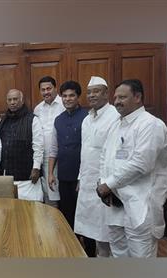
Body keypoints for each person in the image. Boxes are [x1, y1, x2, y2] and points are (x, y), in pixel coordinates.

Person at [96, 79, 167, 257]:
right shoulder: (116, 125)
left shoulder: (151, 124)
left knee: (141, 262)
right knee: (119, 256)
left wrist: (108, 184)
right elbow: (104, 157)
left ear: (138, 97)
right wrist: (102, 182)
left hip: (140, 207)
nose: (116, 101)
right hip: (114, 204)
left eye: (122, 97)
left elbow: (141, 163)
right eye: (115, 97)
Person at [74, 76, 119, 257]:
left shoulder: (115, 116)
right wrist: (80, 178)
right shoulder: (86, 119)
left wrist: (109, 183)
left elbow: (114, 155)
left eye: (96, 91)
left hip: (105, 184)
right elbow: (85, 153)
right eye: (89, 92)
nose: (92, 95)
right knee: (92, 232)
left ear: (106, 93)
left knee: (108, 234)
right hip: (87, 183)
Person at [48, 81, 88, 230]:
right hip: (63, 176)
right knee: (67, 214)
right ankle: (71, 247)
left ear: (78, 97)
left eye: (71, 95)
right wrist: (50, 173)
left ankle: (88, 251)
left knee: (84, 216)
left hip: (81, 177)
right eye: (64, 96)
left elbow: (89, 151)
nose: (68, 99)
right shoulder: (58, 119)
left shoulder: (87, 117)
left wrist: (82, 177)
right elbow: (53, 149)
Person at [0, 89, 44, 200]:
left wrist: (36, 168)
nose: (12, 102)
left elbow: (38, 146)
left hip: (28, 177)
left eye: (15, 99)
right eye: (10, 100)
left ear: (22, 101)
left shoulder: (33, 120)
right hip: (7, 177)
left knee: (30, 212)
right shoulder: (2, 121)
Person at [34, 76, 65, 207]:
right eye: (43, 90)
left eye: (49, 88)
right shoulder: (37, 109)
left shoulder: (64, 104)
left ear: (55, 88)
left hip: (62, 157)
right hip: (44, 157)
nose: (46, 92)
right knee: (48, 193)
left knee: (62, 194)